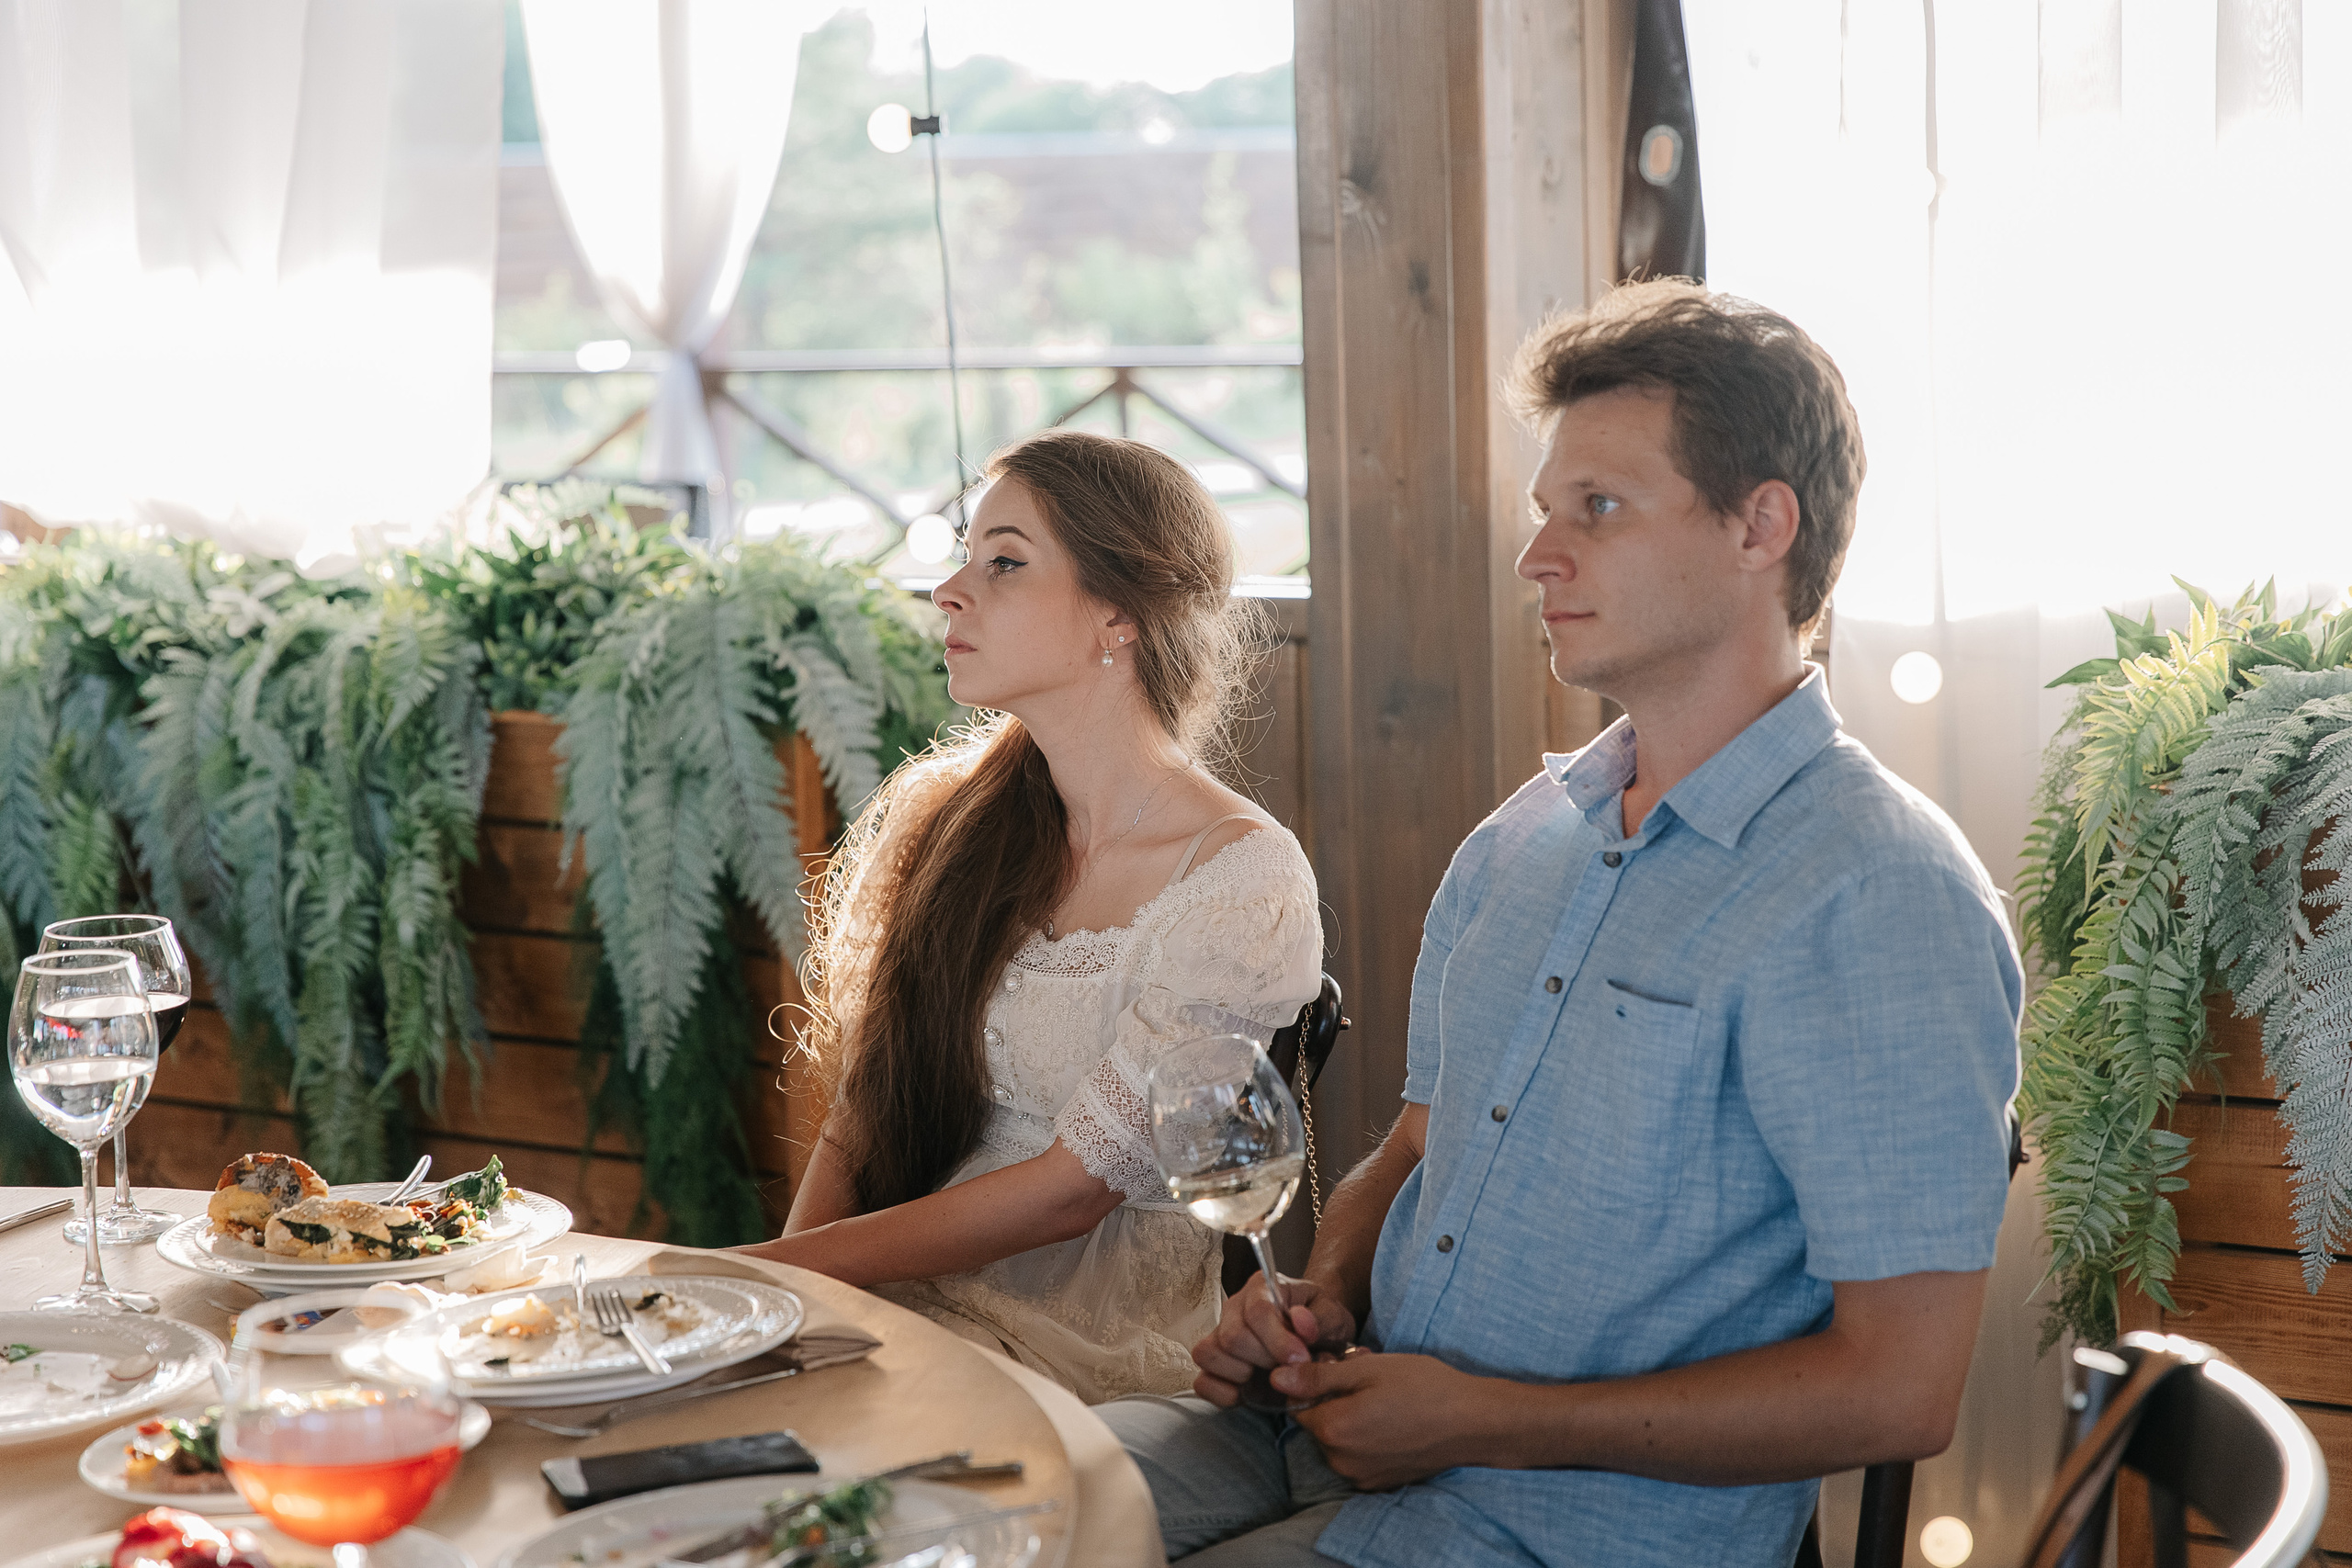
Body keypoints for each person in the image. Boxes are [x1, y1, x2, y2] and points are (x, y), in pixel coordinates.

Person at [1102, 278, 2024, 1565]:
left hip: (1563, 1529)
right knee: (973, 1501)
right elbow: (1416, 1145)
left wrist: (1482, 1419)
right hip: (1327, 1432)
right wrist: (1317, 1300)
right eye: (1546, 511)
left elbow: (1898, 1390)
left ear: (1761, 526)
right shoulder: (1524, 837)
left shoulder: (1880, 892)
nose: (1538, 556)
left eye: (1598, 508)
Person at [741, 428, 1323, 1404]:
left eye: (1003, 563)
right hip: (897, 1313)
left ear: (1117, 614)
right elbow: (871, 1107)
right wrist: (784, 1303)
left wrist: (770, 1272)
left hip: (1085, 1359)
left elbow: (1072, 1190)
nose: (948, 591)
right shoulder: (960, 820)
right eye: (963, 557)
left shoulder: (1239, 878)